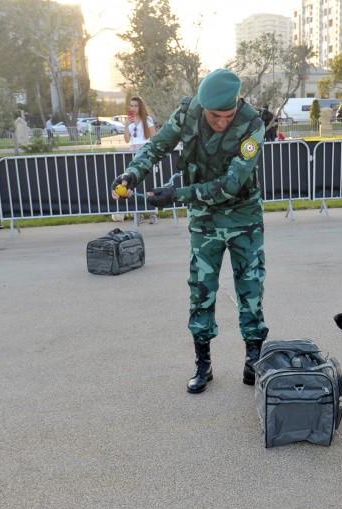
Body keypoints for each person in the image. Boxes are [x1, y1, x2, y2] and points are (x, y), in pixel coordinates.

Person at [110, 68, 268, 395]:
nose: (221, 121)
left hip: (243, 217)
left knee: (250, 287)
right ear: (202, 105)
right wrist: (131, 175)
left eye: (227, 115)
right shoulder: (188, 112)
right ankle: (203, 363)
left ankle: (254, 358)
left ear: (237, 103)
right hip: (205, 221)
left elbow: (231, 184)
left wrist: (177, 196)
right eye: (214, 116)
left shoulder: (252, 125)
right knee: (201, 289)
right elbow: (157, 147)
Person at [123, 95, 158, 223]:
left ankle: (152, 212)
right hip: (133, 154)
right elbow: (127, 140)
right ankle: (138, 213)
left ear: (140, 107)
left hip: (145, 154)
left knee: (149, 184)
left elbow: (154, 138)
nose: (133, 108)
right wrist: (126, 126)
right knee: (134, 183)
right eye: (131, 105)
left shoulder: (147, 119)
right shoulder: (129, 121)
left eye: (136, 105)